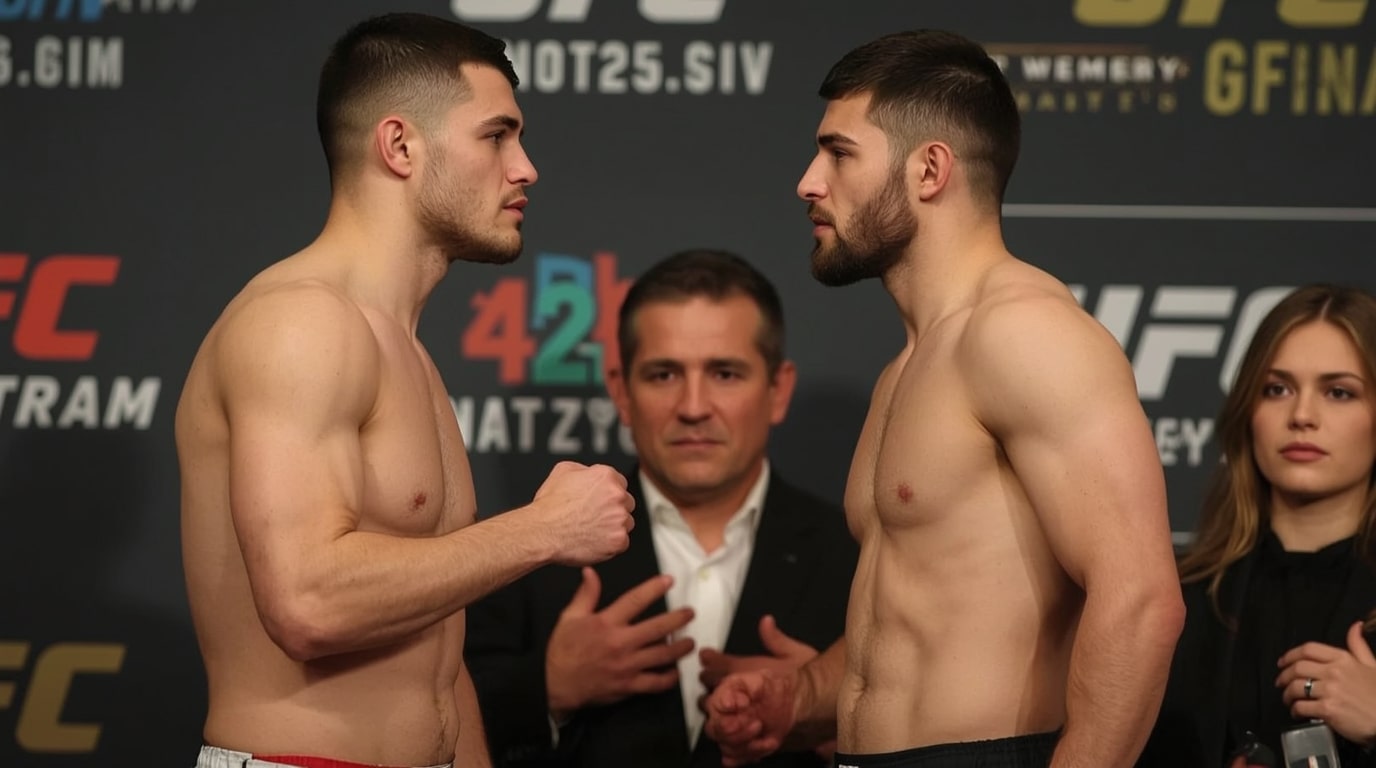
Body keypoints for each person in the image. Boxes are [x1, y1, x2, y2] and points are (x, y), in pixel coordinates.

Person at [704, 29, 1185, 768]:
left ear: (930, 169)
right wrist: (802, 695)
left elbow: (1142, 602)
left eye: (839, 153)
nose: (808, 181)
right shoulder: (914, 362)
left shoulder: (1024, 333)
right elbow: (924, 613)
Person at [174, 13, 636, 768]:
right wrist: (543, 529)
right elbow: (308, 603)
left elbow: (432, 646)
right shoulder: (301, 322)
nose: (526, 168)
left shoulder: (403, 349)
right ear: (399, 146)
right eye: (496, 135)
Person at [464, 249, 859, 767]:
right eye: (664, 375)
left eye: (725, 374)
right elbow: (435, 726)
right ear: (621, 392)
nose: (693, 407)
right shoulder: (527, 556)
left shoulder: (855, 559)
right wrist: (548, 687)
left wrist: (832, 707)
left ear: (778, 389)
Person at [1138, 284, 1376, 768]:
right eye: (1277, 389)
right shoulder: (1174, 601)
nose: (1302, 416)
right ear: (1249, 411)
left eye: (1338, 392)